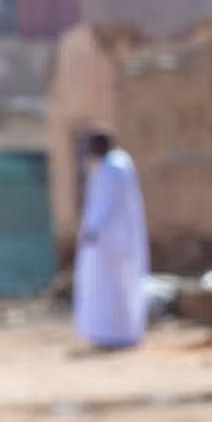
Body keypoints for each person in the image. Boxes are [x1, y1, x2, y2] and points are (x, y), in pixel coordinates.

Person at [73, 130, 148, 349]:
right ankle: (110, 332)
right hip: (113, 241)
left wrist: (92, 230)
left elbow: (104, 206)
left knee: (114, 289)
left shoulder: (112, 168)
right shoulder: (116, 165)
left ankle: (117, 334)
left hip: (110, 242)